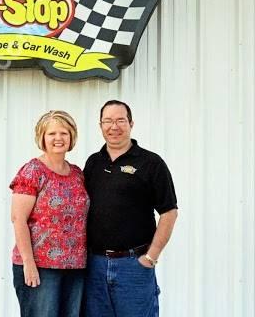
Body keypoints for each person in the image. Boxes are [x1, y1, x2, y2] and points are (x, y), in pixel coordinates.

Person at [82, 100, 178, 317]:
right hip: (95, 266)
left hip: (133, 266)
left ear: (131, 124)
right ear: (100, 125)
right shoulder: (93, 163)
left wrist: (151, 257)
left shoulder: (151, 163)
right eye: (108, 121)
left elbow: (169, 212)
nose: (113, 126)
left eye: (120, 120)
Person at [10, 110, 90, 317]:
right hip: (41, 267)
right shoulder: (33, 171)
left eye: (64, 133)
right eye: (52, 133)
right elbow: (18, 219)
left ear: (72, 137)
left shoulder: (77, 174)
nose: (58, 138)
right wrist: (28, 262)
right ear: (42, 137)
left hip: (75, 267)